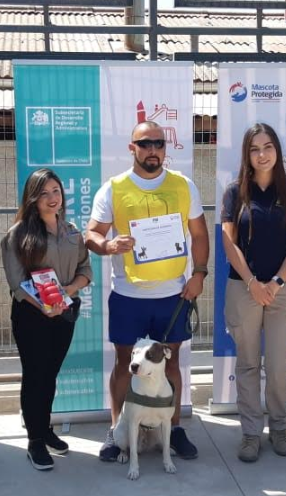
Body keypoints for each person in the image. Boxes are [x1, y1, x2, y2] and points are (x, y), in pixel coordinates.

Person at [86, 120, 209, 462]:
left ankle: (175, 427)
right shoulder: (113, 188)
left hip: (173, 295)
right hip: (129, 296)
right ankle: (116, 429)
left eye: (158, 143)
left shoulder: (184, 186)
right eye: (145, 144)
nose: (152, 149)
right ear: (132, 148)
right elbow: (91, 235)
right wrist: (109, 246)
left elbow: (199, 235)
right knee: (126, 363)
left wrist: (199, 274)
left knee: (171, 366)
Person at [221, 123, 286, 463]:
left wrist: (275, 283)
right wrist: (254, 283)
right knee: (246, 364)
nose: (262, 154)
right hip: (243, 287)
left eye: (267, 146)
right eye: (255, 148)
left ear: (277, 150)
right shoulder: (234, 192)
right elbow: (229, 244)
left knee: (277, 364)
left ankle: (280, 427)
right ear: (247, 154)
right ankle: (250, 434)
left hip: (284, 289)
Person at [1, 168, 92, 471]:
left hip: (64, 313)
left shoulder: (72, 231)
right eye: (44, 193)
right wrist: (43, 305)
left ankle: (45, 427)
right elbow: (16, 283)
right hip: (32, 316)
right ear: (32, 198)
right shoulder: (18, 235)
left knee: (50, 375)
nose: (52, 198)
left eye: (56, 191)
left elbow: (86, 270)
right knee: (35, 376)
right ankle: (34, 441)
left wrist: (68, 290)